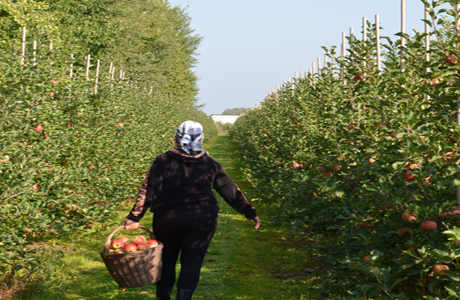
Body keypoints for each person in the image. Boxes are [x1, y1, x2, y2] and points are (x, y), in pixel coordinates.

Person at [122, 120, 260, 300]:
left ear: (177, 138)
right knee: (192, 263)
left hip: (168, 218)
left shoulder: (162, 160)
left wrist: (134, 216)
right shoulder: (210, 163)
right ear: (201, 138)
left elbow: (149, 190)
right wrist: (248, 210)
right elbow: (229, 189)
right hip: (202, 217)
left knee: (166, 260)